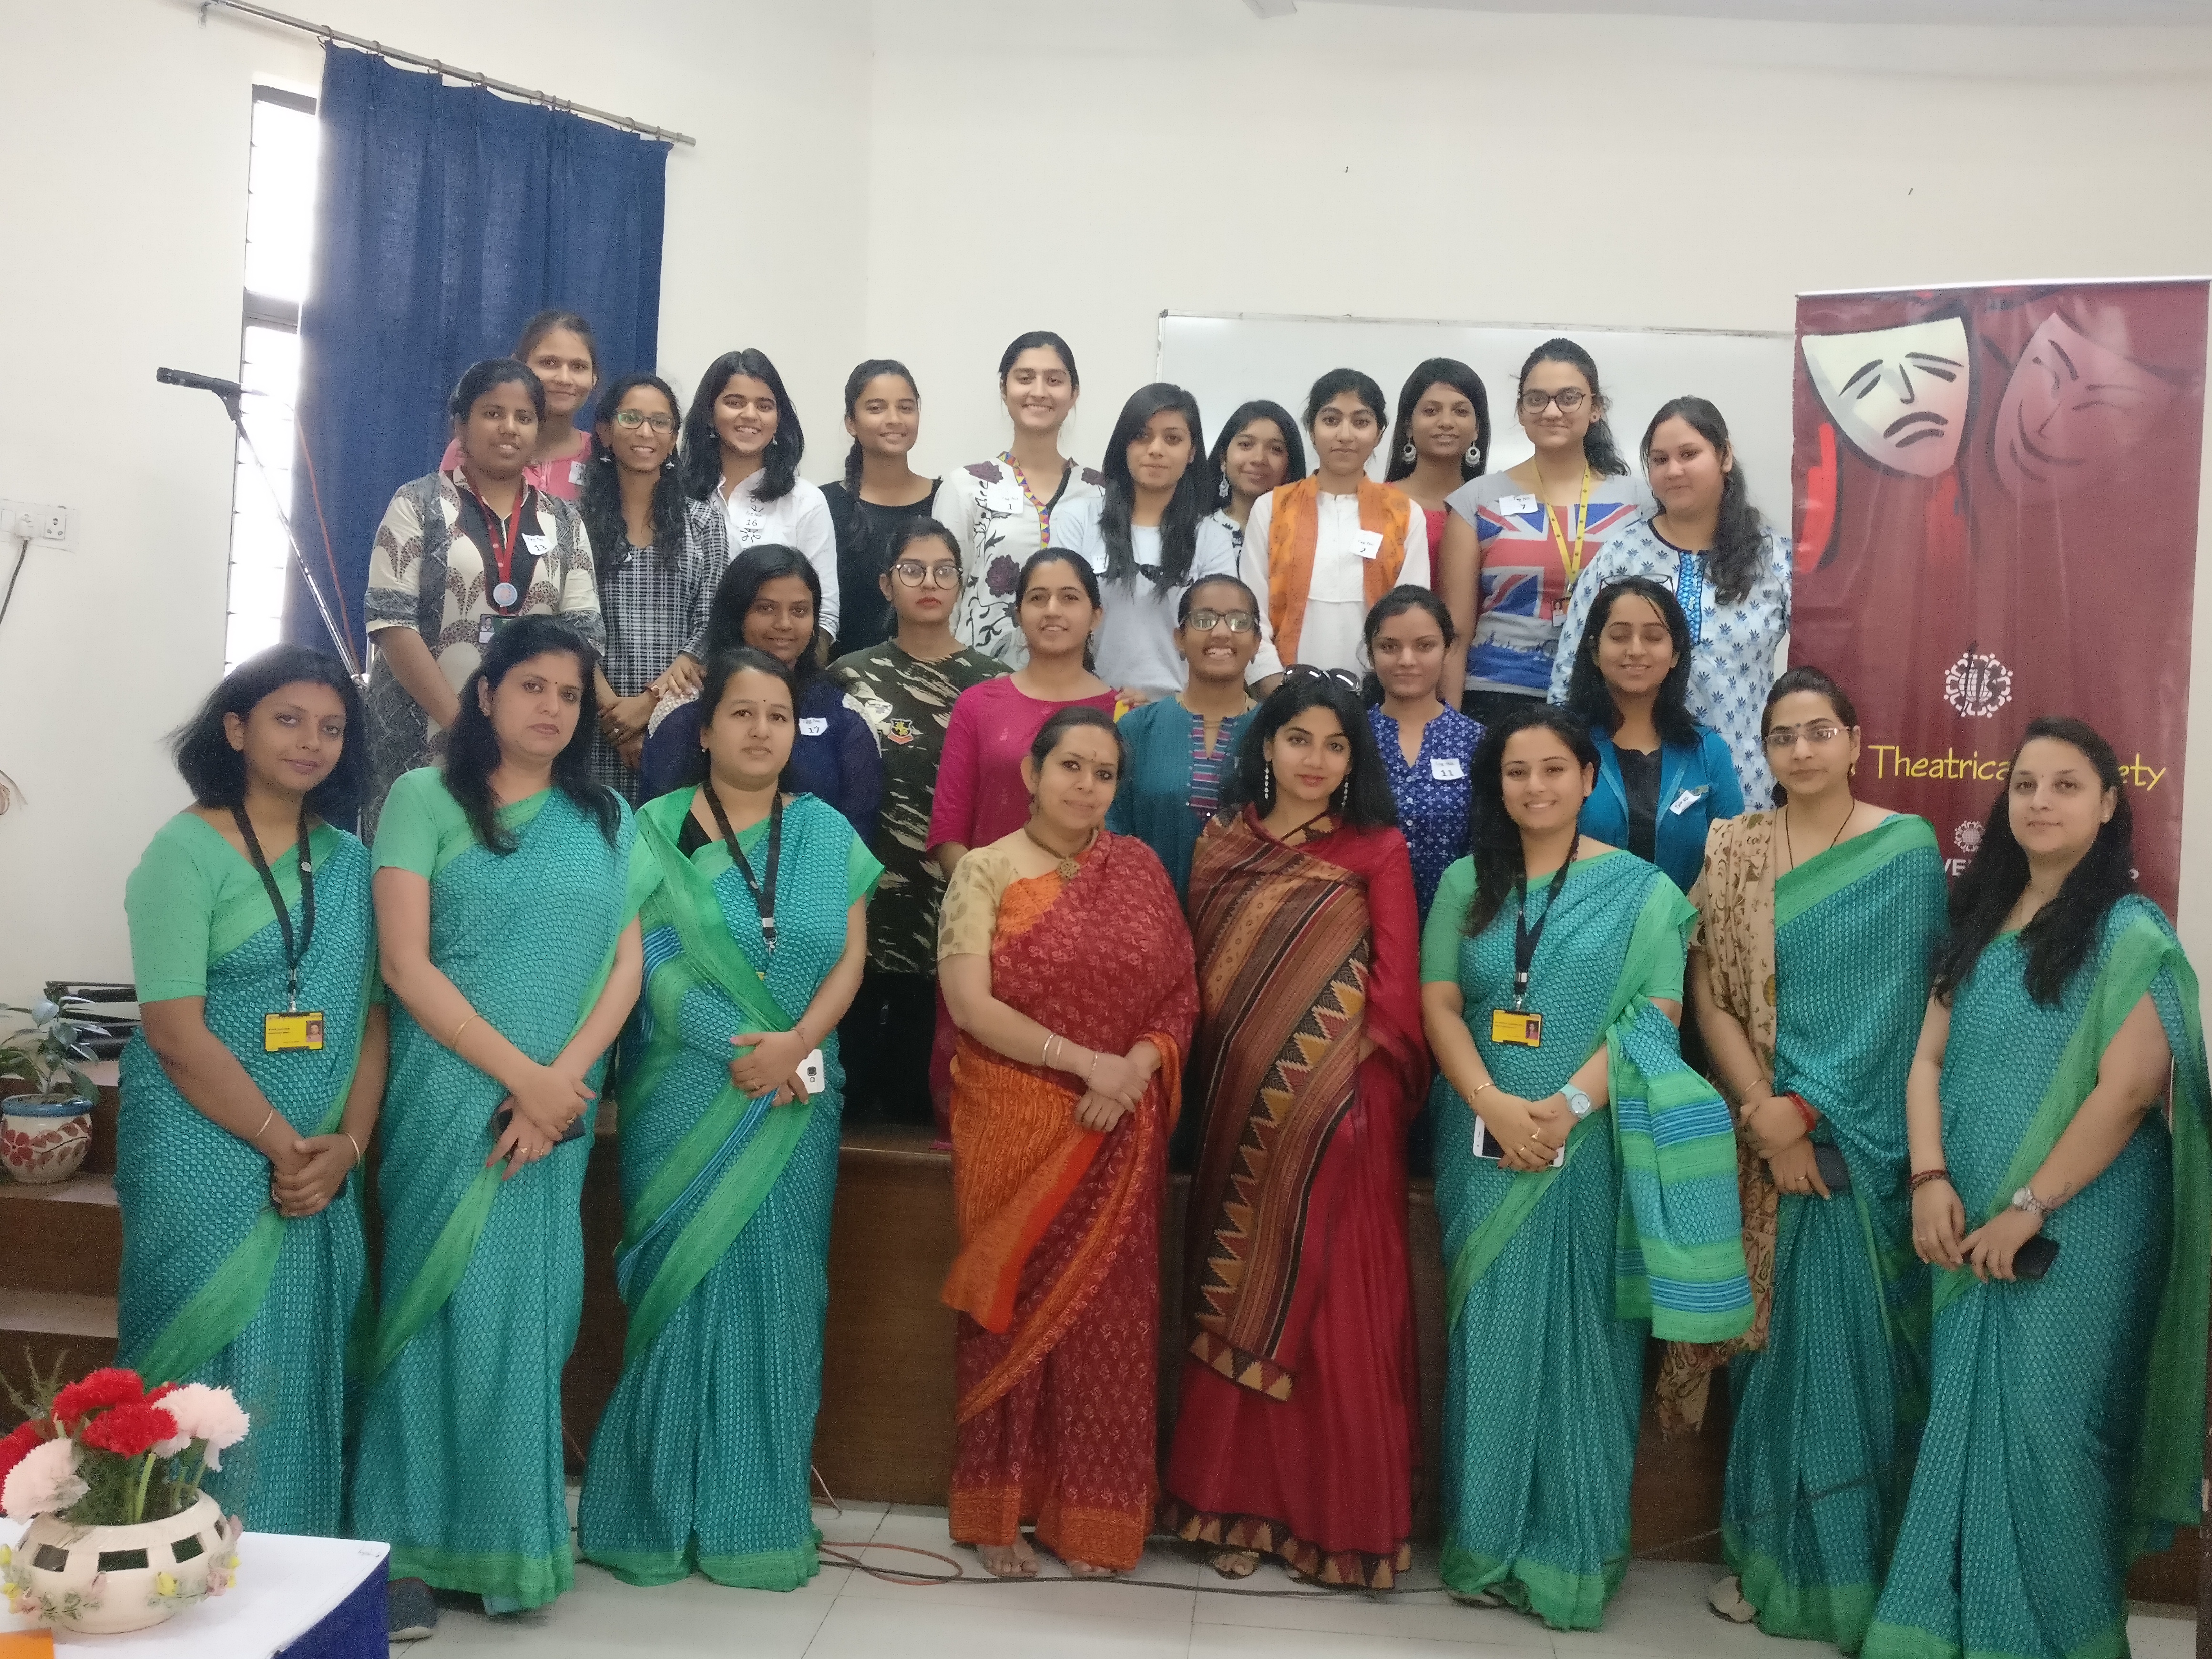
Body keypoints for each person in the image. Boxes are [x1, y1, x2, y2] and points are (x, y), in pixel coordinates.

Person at [1864, 718, 2210, 1659]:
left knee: (2052, 1435)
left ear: (2108, 807)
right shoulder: (1977, 917)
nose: (2040, 803)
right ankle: (1949, 1626)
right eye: (2024, 786)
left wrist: (2029, 1208)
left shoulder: (2130, 934)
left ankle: (2054, 1640)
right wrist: (1931, 1179)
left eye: (2065, 787)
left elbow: (2129, 1090)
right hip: (1963, 1212)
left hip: (2080, 1227)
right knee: (1962, 1419)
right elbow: (1925, 1062)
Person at [1422, 704, 1750, 1627]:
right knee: (1489, 1340)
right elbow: (1439, 1004)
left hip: (1587, 1142)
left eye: (1553, 770)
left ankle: (1569, 1557)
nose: (1535, 787)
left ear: (1585, 779)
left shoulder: (1644, 892)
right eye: (1516, 772)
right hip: (1479, 1138)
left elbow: (1654, 1021)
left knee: (1584, 1350)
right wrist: (1492, 1104)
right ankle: (1484, 1546)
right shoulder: (1462, 886)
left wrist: (1562, 1112)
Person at [350, 616, 649, 1614]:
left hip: (556, 1109)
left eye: (569, 694)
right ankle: (405, 1552)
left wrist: (560, 1085)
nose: (552, 708)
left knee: (529, 1323)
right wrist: (522, 1077)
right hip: (453, 1098)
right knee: (437, 1315)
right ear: (486, 695)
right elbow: (403, 965)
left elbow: (627, 967)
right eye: (531, 688)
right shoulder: (423, 799)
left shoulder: (609, 815)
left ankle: (509, 1550)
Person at [1655, 668, 1945, 1649]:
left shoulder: (1902, 849)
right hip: (1761, 1134)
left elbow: (1900, 1012)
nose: (1802, 750)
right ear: (1764, 752)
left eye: (1819, 731)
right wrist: (1761, 1115)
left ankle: (1850, 1574)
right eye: (1782, 736)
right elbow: (1710, 992)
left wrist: (1809, 1119)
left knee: (1844, 1365)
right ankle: (1770, 1560)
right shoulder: (1733, 845)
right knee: (1771, 1368)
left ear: (1855, 741)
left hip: (1854, 1151)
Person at [579, 647, 879, 1590]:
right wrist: (742, 1046)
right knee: (679, 1295)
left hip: (796, 1101)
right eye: (740, 714)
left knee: (780, 1299)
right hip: (685, 1096)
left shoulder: (830, 833)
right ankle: (651, 1515)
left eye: (778, 717)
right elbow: (652, 966)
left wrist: (793, 1047)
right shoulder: (652, 830)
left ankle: (757, 1520)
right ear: (702, 731)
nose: (760, 731)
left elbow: (848, 963)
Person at [1162, 671, 1429, 1587]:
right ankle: (1231, 1509)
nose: (1316, 761)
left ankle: (1329, 1521)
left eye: (1337, 745)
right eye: (1299, 740)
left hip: (1350, 1109)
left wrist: (1344, 1095)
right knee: (1243, 1278)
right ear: (1266, 746)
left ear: (1357, 760)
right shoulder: (1220, 847)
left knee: (1333, 1309)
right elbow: (1199, 984)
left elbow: (1396, 985)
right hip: (1239, 1108)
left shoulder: (1376, 848)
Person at [117, 645, 384, 1538]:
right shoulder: (181, 853)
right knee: (200, 1354)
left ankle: (292, 1564)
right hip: (205, 1147)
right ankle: (170, 1559)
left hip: (316, 1153)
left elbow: (372, 1017)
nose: (313, 742)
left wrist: (347, 1146)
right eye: (289, 719)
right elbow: (174, 1033)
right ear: (235, 729)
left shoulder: (350, 862)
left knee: (299, 1358)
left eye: (333, 727)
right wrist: (283, 1144)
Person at [937, 707, 1197, 1578]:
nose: (1086, 787)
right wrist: (1087, 1065)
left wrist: (1132, 1067)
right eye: (1070, 768)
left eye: (1104, 773)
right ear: (1032, 774)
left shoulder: (1142, 869)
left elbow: (1180, 997)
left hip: (1119, 1122)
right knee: (1010, 1310)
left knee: (1106, 1324)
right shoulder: (985, 872)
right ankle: (998, 1515)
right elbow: (971, 1006)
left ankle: (1086, 1514)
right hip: (1015, 1116)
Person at [361, 358, 604, 840]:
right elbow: (392, 624)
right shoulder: (417, 503)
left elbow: (583, 636)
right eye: (493, 413)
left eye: (523, 417)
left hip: (528, 753)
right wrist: (467, 727)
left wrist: (514, 736)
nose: (508, 428)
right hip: (420, 739)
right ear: (461, 425)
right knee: (412, 880)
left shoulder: (566, 521)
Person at [830, 520, 1009, 1126]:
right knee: (846, 1102)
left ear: (962, 584)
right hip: (858, 911)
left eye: (943, 571)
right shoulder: (848, 676)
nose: (928, 583)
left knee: (921, 1106)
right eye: (912, 569)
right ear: (885, 583)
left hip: (952, 913)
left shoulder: (993, 685)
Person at [1550, 397, 1792, 805]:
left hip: (1748, 779)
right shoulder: (1620, 556)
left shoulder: (1774, 559)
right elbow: (1569, 678)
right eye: (1659, 460)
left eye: (1689, 454)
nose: (1674, 470)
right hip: (1629, 788)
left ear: (1725, 456)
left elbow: (1824, 668)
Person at [1437, 338, 1641, 726]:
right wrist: (1451, 727)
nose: (1552, 411)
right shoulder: (1476, 501)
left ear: (1595, 408)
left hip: (1607, 700)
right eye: (1536, 399)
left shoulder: (1638, 503)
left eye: (1569, 397)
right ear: (1520, 410)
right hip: (1496, 701)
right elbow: (1456, 634)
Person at [636, 546, 881, 833]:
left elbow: (857, 846)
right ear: (736, 614)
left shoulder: (845, 715)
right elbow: (655, 835)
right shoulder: (686, 708)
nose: (785, 624)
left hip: (818, 875)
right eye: (766, 608)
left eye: (800, 610)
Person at [578, 373, 731, 800]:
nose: (646, 432)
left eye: (660, 422)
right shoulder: (572, 521)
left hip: (681, 720)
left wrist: (649, 707)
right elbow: (568, 624)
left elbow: (712, 624)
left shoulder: (703, 522)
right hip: (591, 722)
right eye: (632, 418)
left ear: (674, 438)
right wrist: (613, 716)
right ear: (605, 432)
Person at [928, 550, 1119, 874]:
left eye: (1070, 598)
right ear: (1018, 613)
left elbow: (1125, 833)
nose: (1052, 611)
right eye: (1038, 598)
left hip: (1091, 911)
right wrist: (983, 900)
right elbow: (949, 830)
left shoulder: (1123, 713)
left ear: (1096, 616)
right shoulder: (978, 705)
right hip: (992, 907)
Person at [1239, 369, 1429, 686]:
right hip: (1285, 688)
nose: (1345, 435)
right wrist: (1273, 683)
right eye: (1331, 420)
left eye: (1361, 422)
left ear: (1380, 433)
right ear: (1311, 430)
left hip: (1376, 692)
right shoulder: (1272, 508)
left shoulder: (1404, 513)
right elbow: (1251, 609)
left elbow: (1412, 615)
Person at [1050, 383, 1239, 698]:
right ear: (1124, 445)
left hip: (1177, 709)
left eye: (1173, 439)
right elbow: (1057, 617)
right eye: (1142, 436)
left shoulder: (1211, 538)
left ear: (1192, 452)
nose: (1156, 449)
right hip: (1086, 703)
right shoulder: (1078, 519)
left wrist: (1163, 703)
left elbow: (1220, 637)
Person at [1562, 577, 1742, 893]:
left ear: (1675, 654)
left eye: (1653, 637)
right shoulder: (1560, 741)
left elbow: (1735, 864)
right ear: (1594, 650)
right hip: (1576, 936)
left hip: (1681, 937)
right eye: (1619, 636)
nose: (1635, 650)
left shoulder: (1707, 751)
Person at [940, 331, 1102, 665]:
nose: (1039, 392)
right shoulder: (966, 486)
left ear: (1074, 394)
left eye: (1054, 380)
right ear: (1004, 388)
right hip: (979, 679)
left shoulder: (1102, 492)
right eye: (1025, 379)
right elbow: (944, 594)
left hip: (1077, 686)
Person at [1106, 574, 1261, 901]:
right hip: (1146, 923)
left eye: (1238, 621)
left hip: (1249, 929)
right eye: (1204, 620)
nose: (1221, 633)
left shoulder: (1277, 731)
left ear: (1257, 643)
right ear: (1179, 638)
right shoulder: (1137, 728)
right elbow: (1111, 834)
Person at [680, 348, 840, 638]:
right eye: (734, 402)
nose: (750, 415)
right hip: (682, 673)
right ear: (709, 412)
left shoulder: (806, 501)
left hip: (775, 672)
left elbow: (824, 615)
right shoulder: (677, 495)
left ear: (779, 418)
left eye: (765, 406)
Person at [1363, 586, 1484, 915]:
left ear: (1448, 649)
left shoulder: (1477, 743)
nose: (1406, 660)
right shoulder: (1349, 738)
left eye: (1425, 646)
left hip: (1455, 920)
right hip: (1359, 918)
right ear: (1371, 654)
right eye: (1389, 647)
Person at [819, 359, 939, 657]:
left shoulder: (946, 499)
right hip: (842, 681)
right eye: (876, 408)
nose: (895, 419)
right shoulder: (822, 505)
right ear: (851, 422)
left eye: (906, 407)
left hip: (932, 680)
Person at [440, 309, 599, 499]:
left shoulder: (601, 458)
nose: (564, 379)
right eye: (549, 363)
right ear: (518, 367)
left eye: (578, 367)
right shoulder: (470, 448)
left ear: (594, 378)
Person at [1383, 358, 1489, 566]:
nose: (1446, 423)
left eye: (1460, 411)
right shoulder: (1376, 504)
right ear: (1408, 426)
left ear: (1478, 428)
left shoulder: (1491, 511)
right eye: (1431, 411)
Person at [1205, 398, 1307, 552]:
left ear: (1290, 466)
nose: (1259, 459)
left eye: (1276, 449)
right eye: (1246, 445)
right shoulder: (1197, 535)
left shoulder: (1306, 534)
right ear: (1223, 459)